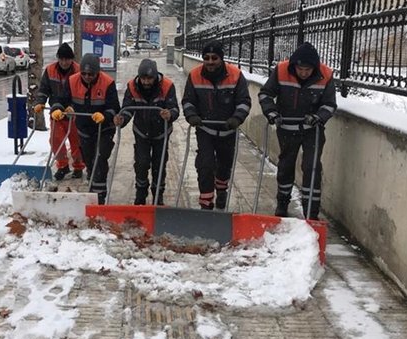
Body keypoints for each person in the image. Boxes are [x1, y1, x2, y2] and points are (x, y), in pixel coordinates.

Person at [258, 42, 337, 220]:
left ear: (314, 68)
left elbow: (330, 104)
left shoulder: (325, 75)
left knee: (312, 167)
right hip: (287, 128)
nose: (303, 73)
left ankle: (311, 211)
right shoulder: (281, 70)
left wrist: (319, 117)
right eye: (300, 69)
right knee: (286, 165)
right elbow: (265, 94)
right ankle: (282, 203)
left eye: (307, 70)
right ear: (294, 66)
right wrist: (271, 112)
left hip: (312, 130)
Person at [181, 40, 251, 210]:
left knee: (224, 164)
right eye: (207, 58)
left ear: (221, 58)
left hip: (227, 129)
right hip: (206, 128)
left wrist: (237, 118)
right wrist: (192, 115)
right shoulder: (195, 75)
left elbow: (244, 101)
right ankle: (206, 201)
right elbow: (188, 100)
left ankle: (221, 190)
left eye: (214, 58)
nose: (210, 62)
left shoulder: (235, 75)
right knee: (205, 164)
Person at [52, 54, 120, 204]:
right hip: (84, 129)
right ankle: (92, 183)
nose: (87, 77)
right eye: (84, 73)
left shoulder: (107, 83)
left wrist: (104, 115)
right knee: (89, 161)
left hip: (104, 129)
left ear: (98, 72)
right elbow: (61, 99)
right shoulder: (72, 81)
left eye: (91, 74)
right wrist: (57, 109)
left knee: (100, 160)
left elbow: (114, 107)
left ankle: (99, 197)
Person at [114, 59, 179, 205]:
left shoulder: (167, 86)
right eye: (143, 78)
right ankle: (141, 192)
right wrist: (122, 119)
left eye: (149, 78)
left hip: (161, 133)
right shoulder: (132, 86)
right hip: (141, 132)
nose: (146, 82)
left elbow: (174, 108)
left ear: (155, 77)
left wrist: (169, 114)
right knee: (141, 163)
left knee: (159, 164)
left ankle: (158, 194)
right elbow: (128, 108)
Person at [34, 43, 85, 180]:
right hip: (56, 111)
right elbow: (44, 89)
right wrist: (40, 102)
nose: (64, 62)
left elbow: (82, 92)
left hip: (73, 113)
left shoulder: (79, 71)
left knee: (76, 141)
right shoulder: (50, 70)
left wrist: (74, 106)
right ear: (58, 58)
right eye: (61, 59)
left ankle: (78, 167)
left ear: (71, 59)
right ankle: (62, 166)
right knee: (55, 140)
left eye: (67, 59)